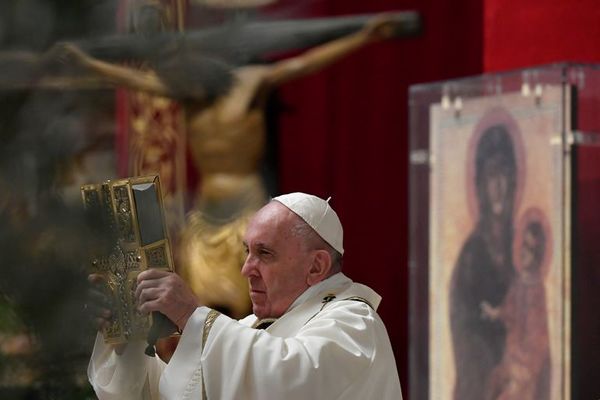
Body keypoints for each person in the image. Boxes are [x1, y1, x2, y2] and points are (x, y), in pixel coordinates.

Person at [48, 13, 410, 321]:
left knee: (252, 301)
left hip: (245, 206)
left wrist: (365, 35)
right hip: (207, 213)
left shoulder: (250, 83)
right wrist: (88, 64)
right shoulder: (187, 93)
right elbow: (136, 80)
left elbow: (304, 63)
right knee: (203, 303)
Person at [87, 192, 403, 399]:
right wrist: (126, 343)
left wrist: (190, 315)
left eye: (265, 253)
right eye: (246, 251)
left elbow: (287, 384)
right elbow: (178, 393)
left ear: (316, 265)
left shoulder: (355, 324)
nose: (246, 269)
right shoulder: (251, 326)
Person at [449, 124, 518, 399]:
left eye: (504, 173)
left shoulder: (524, 241)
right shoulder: (472, 255)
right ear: (480, 185)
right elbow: (466, 334)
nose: (499, 185)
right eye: (492, 175)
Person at [481, 211, 551, 400]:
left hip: (526, 368)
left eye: (530, 248)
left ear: (537, 255)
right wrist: (495, 313)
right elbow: (509, 310)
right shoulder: (519, 282)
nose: (523, 251)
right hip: (511, 358)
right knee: (492, 383)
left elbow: (538, 341)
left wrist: (520, 370)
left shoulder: (537, 290)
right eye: (523, 244)